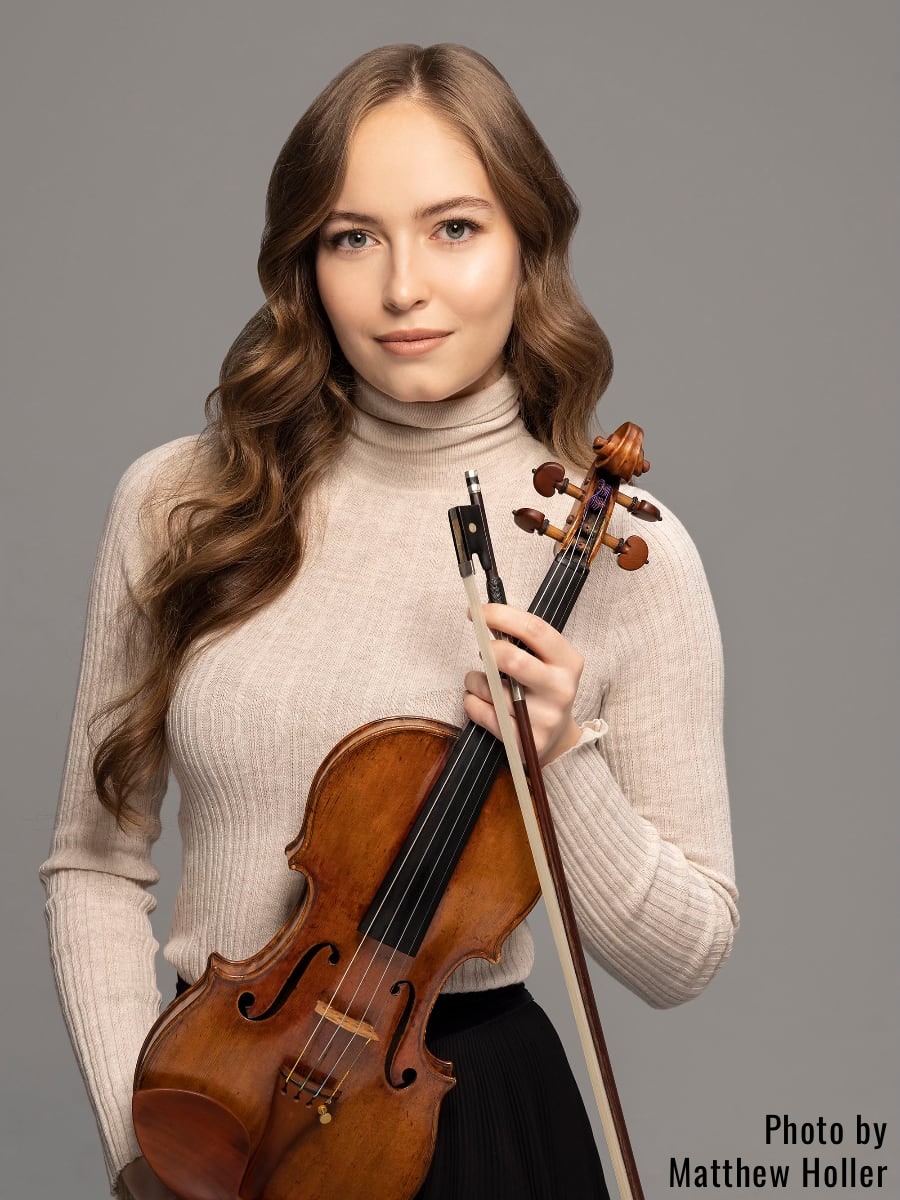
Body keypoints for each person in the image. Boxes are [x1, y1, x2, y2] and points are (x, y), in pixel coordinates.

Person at [39, 42, 739, 1200]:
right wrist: (149, 1141)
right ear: (305, 263)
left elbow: (683, 958)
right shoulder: (179, 502)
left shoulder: (628, 549)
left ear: (528, 245)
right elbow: (94, 861)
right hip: (217, 1100)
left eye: (455, 228)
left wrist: (561, 763)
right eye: (353, 236)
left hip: (472, 1121)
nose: (402, 286)